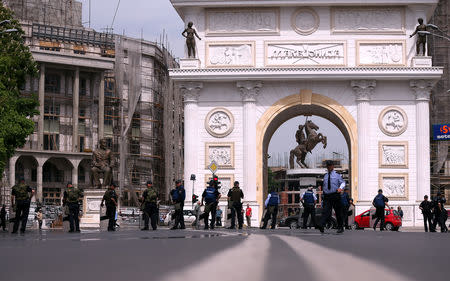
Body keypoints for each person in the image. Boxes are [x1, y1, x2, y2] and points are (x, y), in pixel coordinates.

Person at [319, 160, 345, 234]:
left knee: (338, 212)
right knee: (325, 211)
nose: (329, 167)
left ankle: (340, 227)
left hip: (335, 195)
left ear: (333, 166)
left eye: (330, 165)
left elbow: (343, 182)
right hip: (327, 196)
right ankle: (321, 225)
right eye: (327, 166)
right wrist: (323, 194)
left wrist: (340, 188)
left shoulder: (337, 175)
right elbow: (324, 186)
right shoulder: (325, 175)